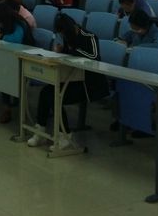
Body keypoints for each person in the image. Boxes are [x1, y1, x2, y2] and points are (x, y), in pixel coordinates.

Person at [27, 13, 108, 151]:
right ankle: (40, 130)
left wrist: (72, 51)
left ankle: (65, 135)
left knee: (55, 97)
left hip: (88, 84)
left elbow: (94, 57)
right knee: (45, 92)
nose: (63, 36)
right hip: (71, 79)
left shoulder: (90, 37)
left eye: (64, 33)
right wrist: (61, 51)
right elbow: (69, 55)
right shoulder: (68, 37)